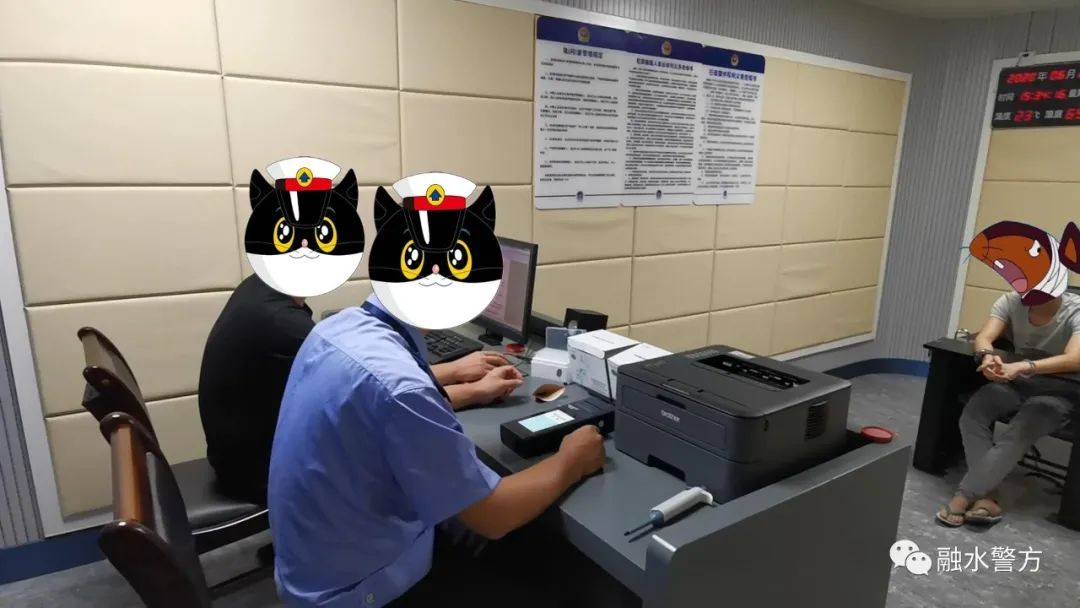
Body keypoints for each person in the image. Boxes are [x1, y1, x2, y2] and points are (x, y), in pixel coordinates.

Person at [267, 293, 607, 607]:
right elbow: (494, 517)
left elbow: (383, 392)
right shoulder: (401, 389)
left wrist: (466, 385)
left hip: (314, 565)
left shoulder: (340, 326)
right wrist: (571, 460)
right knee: (555, 567)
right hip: (360, 590)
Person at [198, 273, 518, 505]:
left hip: (238, 453)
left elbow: (368, 380)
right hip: (264, 472)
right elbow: (388, 397)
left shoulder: (260, 289)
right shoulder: (284, 324)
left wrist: (453, 370)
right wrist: (477, 392)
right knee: (413, 468)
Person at [936, 289, 1080, 527]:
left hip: (1060, 391)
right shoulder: (1011, 301)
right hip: (1016, 382)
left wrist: (1025, 366)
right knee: (974, 412)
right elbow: (984, 338)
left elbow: (1075, 358)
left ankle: (964, 496)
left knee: (1022, 426)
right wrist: (987, 356)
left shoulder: (1075, 309)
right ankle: (987, 498)